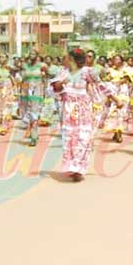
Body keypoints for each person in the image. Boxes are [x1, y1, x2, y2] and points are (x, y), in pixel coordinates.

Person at [51, 48, 100, 182]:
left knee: (83, 138)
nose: (65, 59)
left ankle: (80, 169)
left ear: (72, 59)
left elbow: (99, 85)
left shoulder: (87, 72)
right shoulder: (63, 72)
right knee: (70, 139)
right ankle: (73, 166)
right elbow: (55, 88)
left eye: (67, 57)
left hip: (83, 109)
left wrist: (113, 98)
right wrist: (62, 83)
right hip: (69, 109)